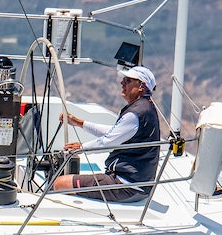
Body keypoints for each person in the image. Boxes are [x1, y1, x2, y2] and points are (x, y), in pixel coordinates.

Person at [53, 65, 161, 203]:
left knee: (60, 183)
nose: (122, 83)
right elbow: (115, 133)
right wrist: (80, 123)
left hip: (126, 186)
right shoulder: (145, 107)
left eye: (128, 80)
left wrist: (80, 149)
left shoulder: (135, 113)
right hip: (137, 183)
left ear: (141, 86)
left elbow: (109, 141)